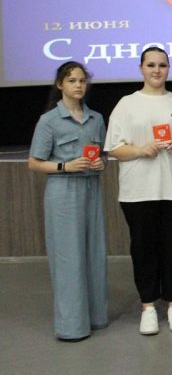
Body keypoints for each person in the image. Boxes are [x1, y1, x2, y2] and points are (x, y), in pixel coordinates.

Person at [105, 47, 172, 335]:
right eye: (151, 65)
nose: (157, 70)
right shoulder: (126, 104)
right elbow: (114, 148)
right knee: (143, 250)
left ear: (169, 68)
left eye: (162, 65)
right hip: (138, 192)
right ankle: (148, 307)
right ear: (141, 68)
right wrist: (141, 150)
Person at [28, 62, 108, 342]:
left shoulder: (96, 118)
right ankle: (72, 326)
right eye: (72, 80)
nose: (78, 85)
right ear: (60, 84)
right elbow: (34, 162)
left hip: (91, 189)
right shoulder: (49, 120)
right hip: (63, 192)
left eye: (82, 80)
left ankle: (96, 316)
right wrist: (65, 166)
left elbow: (102, 155)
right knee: (68, 258)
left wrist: (101, 164)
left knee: (94, 254)